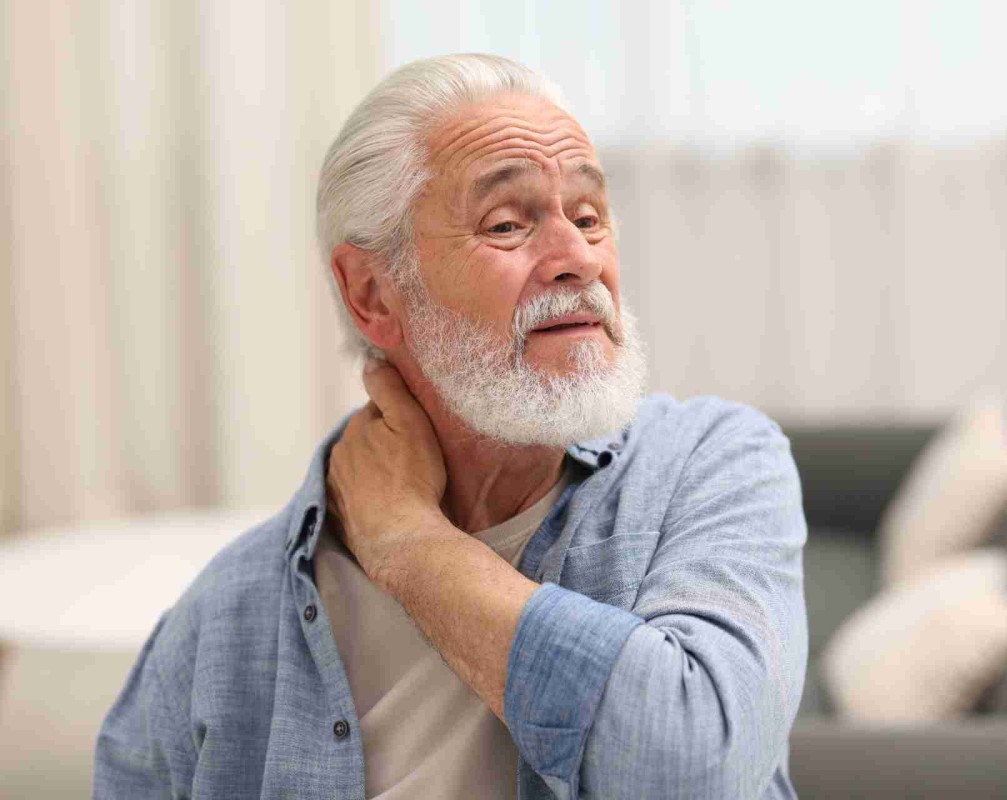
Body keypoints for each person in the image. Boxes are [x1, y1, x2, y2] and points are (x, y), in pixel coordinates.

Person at [94, 53, 808, 800]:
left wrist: (411, 544)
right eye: (507, 224)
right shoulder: (228, 616)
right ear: (372, 293)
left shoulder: (714, 465)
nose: (576, 259)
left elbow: (693, 766)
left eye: (589, 217)